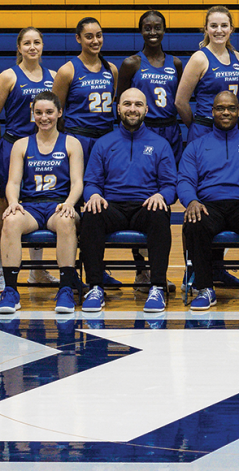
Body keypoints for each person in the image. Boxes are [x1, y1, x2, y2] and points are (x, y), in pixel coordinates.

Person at [78, 88, 177, 313]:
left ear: (146, 109)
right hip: (111, 205)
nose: (132, 109)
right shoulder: (103, 143)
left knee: (160, 214)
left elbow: (171, 185)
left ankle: (157, 287)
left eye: (138, 104)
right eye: (127, 104)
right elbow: (91, 181)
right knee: (91, 214)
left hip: (146, 206)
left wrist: (161, 196)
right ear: (118, 108)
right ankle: (95, 286)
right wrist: (93, 195)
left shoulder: (160, 144)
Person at [179, 91, 239, 311]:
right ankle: (204, 288)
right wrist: (191, 200)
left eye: (231, 108)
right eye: (220, 108)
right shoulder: (196, 146)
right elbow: (184, 179)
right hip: (208, 204)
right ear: (212, 112)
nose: (226, 112)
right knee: (194, 223)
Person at [0, 91, 84, 314]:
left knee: (66, 222)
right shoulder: (22, 145)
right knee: (11, 221)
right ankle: (10, 291)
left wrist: (70, 203)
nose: (44, 117)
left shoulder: (71, 143)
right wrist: (13, 202)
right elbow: (13, 182)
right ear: (32, 114)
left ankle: (65, 289)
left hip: (58, 205)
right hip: (31, 207)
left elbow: (77, 182)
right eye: (39, 113)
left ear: (59, 113)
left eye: (49, 112)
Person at [0, 27, 57, 289]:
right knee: (6, 206)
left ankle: (36, 270)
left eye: (37, 42)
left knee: (38, 202)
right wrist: (3, 145)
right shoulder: (8, 76)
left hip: (43, 149)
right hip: (14, 146)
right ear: (19, 47)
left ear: (42, 46)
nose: (32, 47)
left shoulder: (54, 76)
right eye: (27, 43)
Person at [117, 10, 185, 160]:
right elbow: (119, 102)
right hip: (142, 127)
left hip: (170, 128)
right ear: (141, 31)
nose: (152, 32)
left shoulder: (175, 63)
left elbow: (181, 100)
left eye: (157, 27)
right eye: (147, 28)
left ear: (164, 30)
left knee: (171, 175)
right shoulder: (131, 63)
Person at [176, 6, 239, 144]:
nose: (219, 30)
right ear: (206, 29)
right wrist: (197, 126)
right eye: (214, 26)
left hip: (232, 130)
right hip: (205, 129)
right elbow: (180, 102)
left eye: (224, 25)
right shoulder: (199, 58)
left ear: (231, 29)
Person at [52, 17, 118, 163]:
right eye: (89, 37)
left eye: (99, 35)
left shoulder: (112, 69)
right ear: (78, 38)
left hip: (106, 137)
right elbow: (55, 112)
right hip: (78, 138)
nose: (95, 41)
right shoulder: (67, 71)